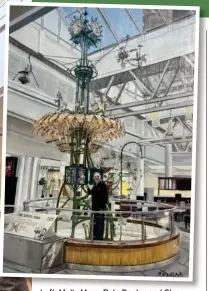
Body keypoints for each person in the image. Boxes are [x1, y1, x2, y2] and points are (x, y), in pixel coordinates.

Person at [88, 172, 108, 240]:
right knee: (95, 223)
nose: (96, 177)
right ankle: (94, 237)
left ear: (100, 177)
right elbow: (92, 192)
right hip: (94, 209)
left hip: (100, 209)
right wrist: (87, 186)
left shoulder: (102, 185)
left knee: (99, 224)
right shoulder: (95, 185)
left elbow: (104, 197)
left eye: (98, 176)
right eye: (95, 176)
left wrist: (102, 208)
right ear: (93, 178)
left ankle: (99, 238)